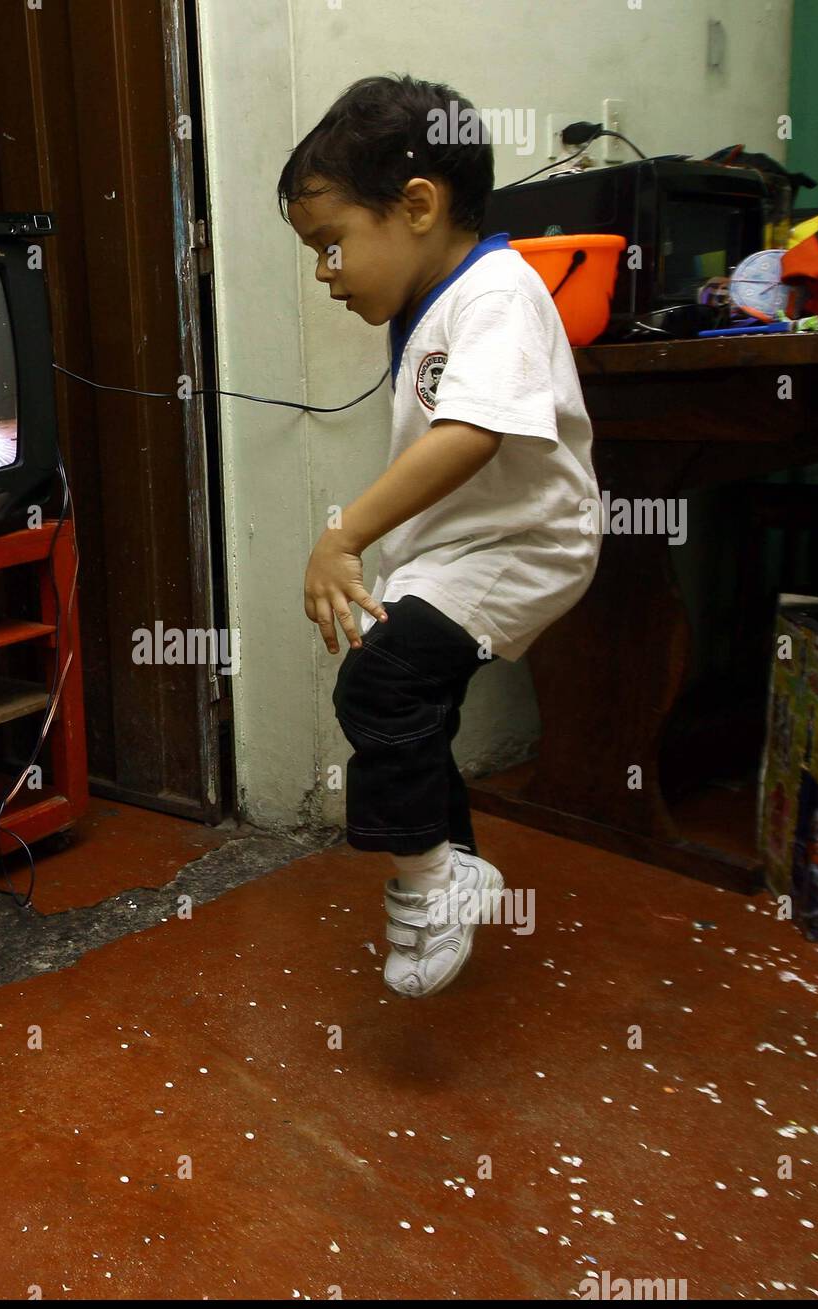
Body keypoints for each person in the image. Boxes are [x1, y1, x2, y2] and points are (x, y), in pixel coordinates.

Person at [279, 74, 601, 998]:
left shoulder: (496, 292)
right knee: (411, 707)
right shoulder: (441, 302)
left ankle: (432, 880)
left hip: (526, 544)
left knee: (379, 684)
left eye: (331, 244)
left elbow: (473, 433)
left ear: (416, 205)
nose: (324, 272)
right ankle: (452, 866)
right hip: (464, 552)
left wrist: (340, 536)